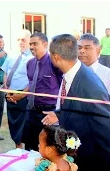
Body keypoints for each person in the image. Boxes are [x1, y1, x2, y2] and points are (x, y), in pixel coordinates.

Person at [42, 34, 110, 171]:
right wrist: (59, 114)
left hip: (91, 161)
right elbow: (78, 109)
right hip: (75, 156)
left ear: (55, 57)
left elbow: (105, 132)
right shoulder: (71, 74)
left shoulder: (91, 86)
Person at [23, 32, 63, 151]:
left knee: (47, 148)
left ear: (45, 44)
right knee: (30, 146)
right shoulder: (30, 63)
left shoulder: (54, 63)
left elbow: (64, 86)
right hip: (31, 111)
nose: (31, 47)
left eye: (35, 44)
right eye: (30, 44)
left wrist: (59, 112)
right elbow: (31, 84)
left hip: (48, 112)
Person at [1, 29, 34, 149]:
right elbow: (5, 72)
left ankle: (27, 151)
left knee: (25, 126)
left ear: (29, 41)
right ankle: (17, 148)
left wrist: (21, 95)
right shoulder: (11, 55)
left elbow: (33, 81)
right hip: (10, 94)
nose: (20, 42)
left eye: (23, 40)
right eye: (18, 40)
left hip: (24, 96)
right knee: (13, 124)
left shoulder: (33, 58)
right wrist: (7, 90)